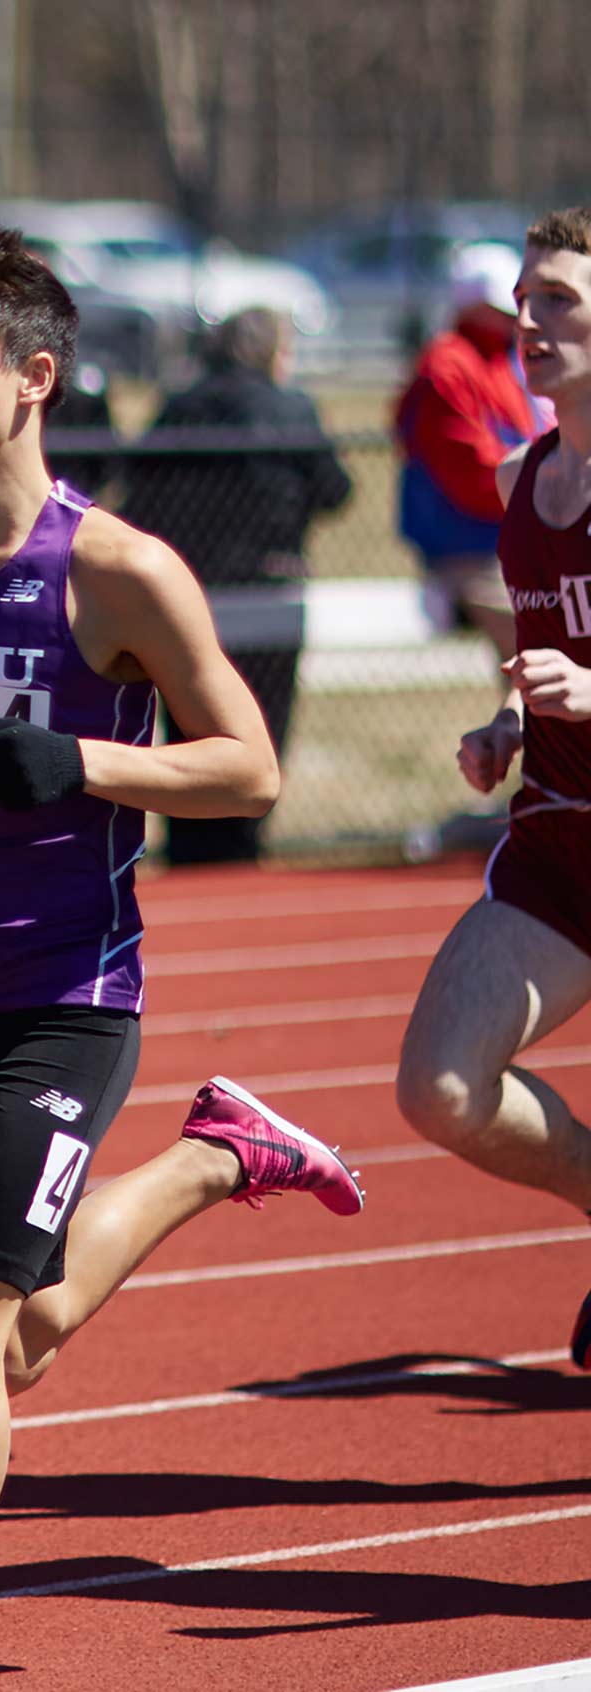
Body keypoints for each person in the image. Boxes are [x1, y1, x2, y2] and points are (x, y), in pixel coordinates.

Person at [0, 227, 366, 1692]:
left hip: (67, 992)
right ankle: (215, 1159)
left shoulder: (115, 570)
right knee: (10, 1339)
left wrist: (85, 762)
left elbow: (250, 767)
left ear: (34, 378)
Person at [395, 206, 591, 1376]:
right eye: (524, 296)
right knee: (441, 1091)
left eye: (558, 298)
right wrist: (510, 722)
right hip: (560, 844)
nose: (527, 318)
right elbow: (544, 653)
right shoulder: (527, 478)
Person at [120, 306, 353, 865]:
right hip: (272, 587)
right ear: (274, 350)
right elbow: (335, 489)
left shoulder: (181, 407)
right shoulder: (290, 406)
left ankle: (191, 850)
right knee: (262, 730)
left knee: (189, 729)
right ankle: (243, 851)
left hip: (191, 595)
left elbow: (138, 487)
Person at [397, 240, 545, 662]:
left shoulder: (506, 357)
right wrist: (547, 490)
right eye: (498, 306)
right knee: (541, 651)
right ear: (469, 305)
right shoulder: (448, 364)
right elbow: (468, 467)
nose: (512, 316)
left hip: (514, 538)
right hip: (471, 552)